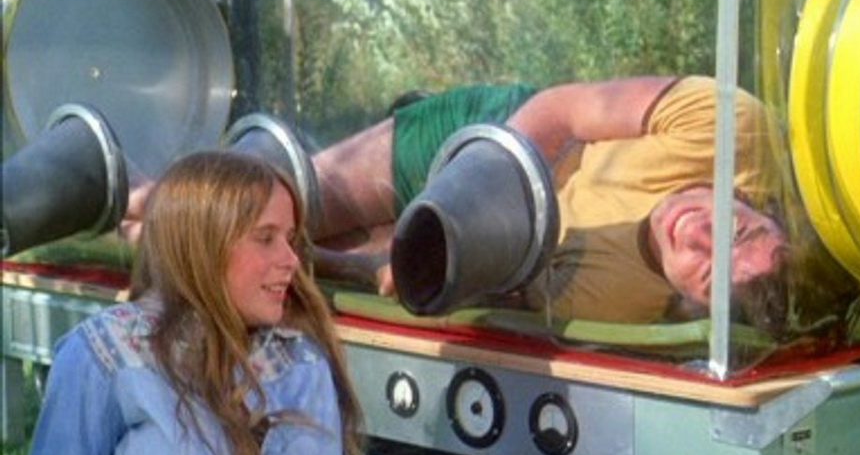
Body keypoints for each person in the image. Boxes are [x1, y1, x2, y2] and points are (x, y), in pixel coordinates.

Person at [2, 151, 418, 455]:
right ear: (203, 245)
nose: (291, 260)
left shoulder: (299, 354)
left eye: (290, 239)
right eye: (265, 238)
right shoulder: (108, 357)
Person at [308, 75, 792, 330]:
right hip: (508, 138)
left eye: (707, 273)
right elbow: (560, 110)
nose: (698, 235)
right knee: (296, 200)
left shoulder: (621, 307)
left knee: (305, 261)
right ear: (752, 201)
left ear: (689, 305)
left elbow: (508, 294)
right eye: (734, 230)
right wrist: (471, 185)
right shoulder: (733, 130)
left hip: (502, 243)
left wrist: (409, 265)